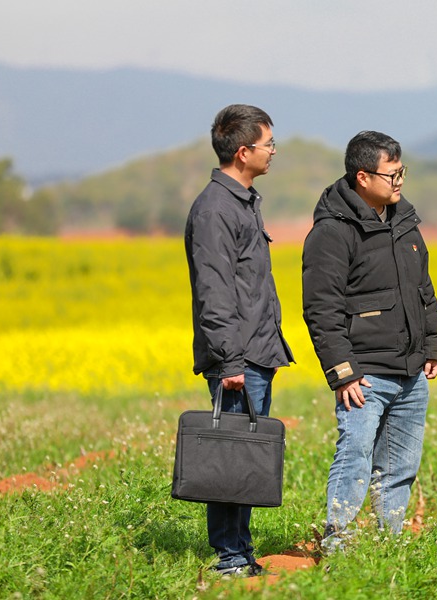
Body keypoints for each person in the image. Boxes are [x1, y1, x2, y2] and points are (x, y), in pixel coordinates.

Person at [302, 130, 437, 551]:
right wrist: (343, 372)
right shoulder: (332, 233)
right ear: (363, 177)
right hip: (364, 376)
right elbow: (321, 310)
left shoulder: (405, 224)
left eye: (402, 171)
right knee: (355, 457)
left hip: (410, 371)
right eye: (391, 174)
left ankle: (389, 544)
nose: (399, 181)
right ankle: (339, 543)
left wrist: (434, 344)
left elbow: (425, 292)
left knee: (401, 465)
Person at [184, 104, 295, 577]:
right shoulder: (215, 209)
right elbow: (214, 292)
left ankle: (241, 553)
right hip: (238, 359)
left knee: (246, 459)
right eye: (269, 143)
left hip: (256, 352)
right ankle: (229, 557)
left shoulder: (243, 202)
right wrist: (229, 360)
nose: (274, 151)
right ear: (244, 150)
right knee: (231, 458)